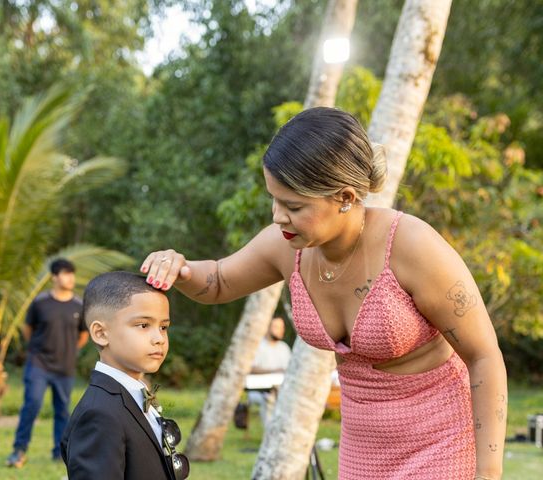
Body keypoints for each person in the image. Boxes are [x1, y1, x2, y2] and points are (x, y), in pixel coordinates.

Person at [140, 107, 507, 480]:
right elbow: (218, 280)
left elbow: (483, 356)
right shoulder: (288, 246)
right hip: (362, 449)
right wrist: (180, 268)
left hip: (440, 441)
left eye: (293, 206)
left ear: (345, 197)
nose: (277, 216)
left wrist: (488, 472)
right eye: (274, 199)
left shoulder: (412, 246)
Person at [61, 271, 189, 480]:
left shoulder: (133, 394)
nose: (159, 338)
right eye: (143, 325)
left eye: (163, 327)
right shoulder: (99, 414)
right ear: (101, 333)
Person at [6, 258, 89, 468]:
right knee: (32, 404)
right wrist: (38, 349)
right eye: (65, 273)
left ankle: (59, 453)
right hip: (39, 364)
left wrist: (68, 351)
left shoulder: (79, 305)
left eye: (72, 273)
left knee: (62, 411)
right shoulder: (40, 302)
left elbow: (83, 335)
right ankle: (19, 450)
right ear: (54, 277)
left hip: (65, 367)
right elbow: (28, 330)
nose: (70, 278)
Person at [246, 316, 291, 424]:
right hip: (258, 390)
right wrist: (273, 371)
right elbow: (250, 368)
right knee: (269, 400)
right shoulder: (258, 346)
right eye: (276, 327)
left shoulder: (284, 348)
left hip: (282, 389)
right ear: (267, 328)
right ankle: (270, 433)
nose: (280, 330)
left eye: (282, 327)